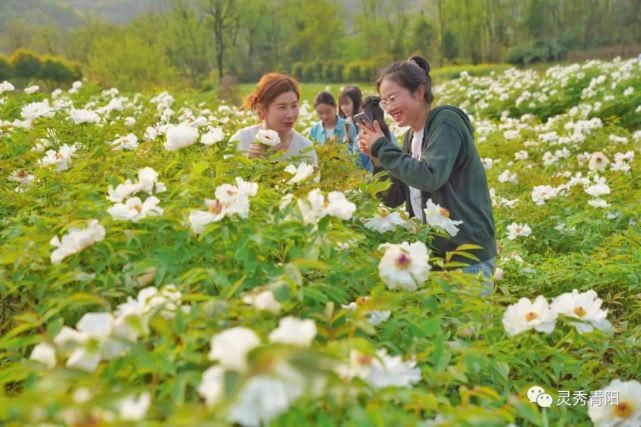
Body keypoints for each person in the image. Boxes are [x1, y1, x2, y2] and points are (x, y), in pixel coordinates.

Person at [356, 56, 497, 287]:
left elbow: (430, 177)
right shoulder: (411, 137)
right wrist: (377, 159)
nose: (389, 108)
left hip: (466, 256)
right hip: (432, 256)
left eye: (393, 98)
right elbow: (393, 197)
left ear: (420, 92)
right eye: (384, 102)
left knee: (468, 323)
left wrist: (382, 146)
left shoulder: (446, 122)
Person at [231, 72, 318, 166]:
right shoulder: (241, 140)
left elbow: (314, 179)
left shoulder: (305, 147)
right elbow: (226, 178)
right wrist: (248, 164)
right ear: (262, 109)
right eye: (282, 107)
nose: (290, 114)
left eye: (294, 106)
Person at [310, 91, 371, 171]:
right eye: (320, 113)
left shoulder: (347, 126)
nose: (324, 116)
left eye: (328, 112)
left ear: (335, 107)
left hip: (345, 172)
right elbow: (312, 154)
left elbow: (355, 154)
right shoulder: (314, 129)